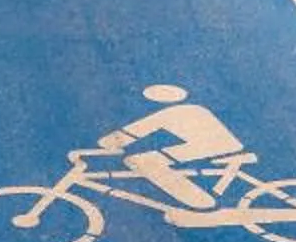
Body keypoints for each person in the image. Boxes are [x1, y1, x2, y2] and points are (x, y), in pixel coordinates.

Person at [94, 84, 243, 212]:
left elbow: (131, 133)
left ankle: (199, 200)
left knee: (143, 160)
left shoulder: (171, 113)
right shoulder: (192, 108)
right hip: (221, 144)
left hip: (216, 146)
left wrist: (106, 145)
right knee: (147, 159)